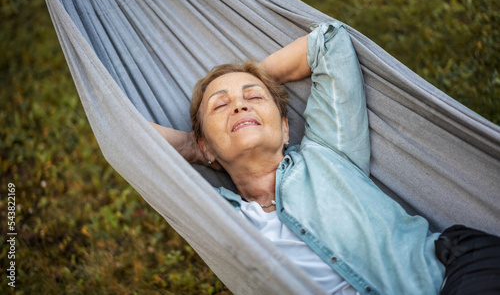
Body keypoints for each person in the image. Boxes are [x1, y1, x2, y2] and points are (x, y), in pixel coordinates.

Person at [151, 21, 500, 294]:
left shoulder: (328, 151)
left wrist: (256, 77)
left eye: (253, 98)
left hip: (452, 271)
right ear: (206, 146)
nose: (240, 104)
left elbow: (330, 42)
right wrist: (191, 148)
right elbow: (131, 143)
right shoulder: (216, 214)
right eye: (221, 105)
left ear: (286, 129)